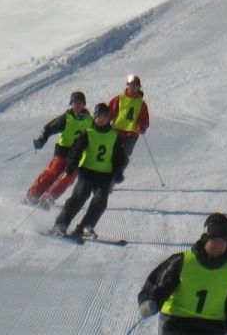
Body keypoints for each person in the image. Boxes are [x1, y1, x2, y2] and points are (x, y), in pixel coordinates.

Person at [138, 213, 227, 334]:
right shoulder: (182, 261)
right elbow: (159, 283)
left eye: (223, 241)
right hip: (176, 321)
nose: (218, 246)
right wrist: (151, 300)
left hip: (213, 326)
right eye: (214, 240)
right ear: (205, 239)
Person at [51, 102, 128, 238]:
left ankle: (86, 226)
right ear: (95, 117)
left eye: (105, 117)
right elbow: (76, 150)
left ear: (109, 118)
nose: (102, 119)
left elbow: (120, 157)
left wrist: (118, 172)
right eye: (99, 117)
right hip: (87, 171)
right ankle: (61, 224)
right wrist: (72, 164)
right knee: (78, 198)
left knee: (100, 202)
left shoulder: (114, 136)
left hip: (105, 174)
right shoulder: (88, 133)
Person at [25, 90, 92, 208]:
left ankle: (49, 197)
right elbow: (48, 129)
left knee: (69, 177)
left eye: (80, 103)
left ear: (84, 104)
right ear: (71, 104)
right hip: (63, 150)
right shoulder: (66, 118)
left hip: (77, 154)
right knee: (54, 172)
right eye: (75, 103)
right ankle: (33, 194)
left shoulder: (89, 121)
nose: (77, 106)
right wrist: (41, 140)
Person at [109, 74, 150, 157]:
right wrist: (104, 124)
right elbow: (110, 112)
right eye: (131, 85)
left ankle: (121, 165)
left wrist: (141, 126)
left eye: (135, 86)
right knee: (113, 152)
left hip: (132, 134)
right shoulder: (119, 99)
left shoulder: (141, 104)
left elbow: (144, 119)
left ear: (139, 88)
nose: (132, 87)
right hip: (117, 130)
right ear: (127, 85)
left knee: (125, 154)